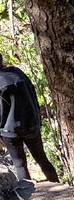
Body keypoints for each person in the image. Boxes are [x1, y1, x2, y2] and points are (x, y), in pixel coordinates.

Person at [0, 54, 59, 184]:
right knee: (41, 158)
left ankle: (29, 195)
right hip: (32, 124)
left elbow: (1, 112)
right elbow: (33, 93)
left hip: (10, 130)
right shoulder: (17, 72)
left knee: (20, 164)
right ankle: (57, 184)